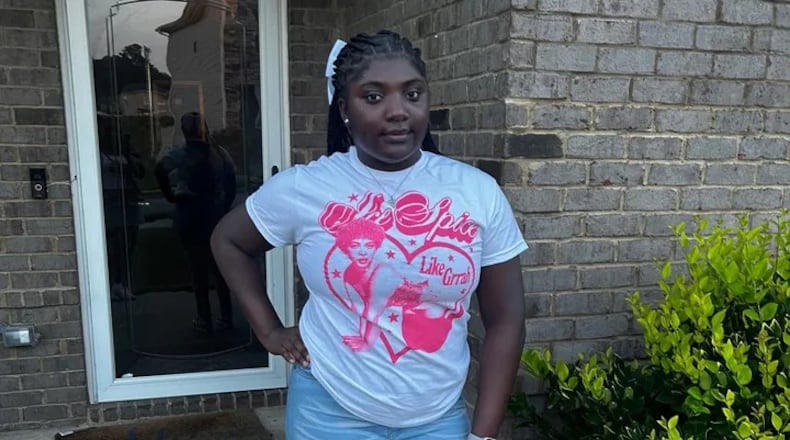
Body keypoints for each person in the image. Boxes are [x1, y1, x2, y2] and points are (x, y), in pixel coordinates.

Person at [211, 30, 527, 439]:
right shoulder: (307, 187)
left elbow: (506, 319)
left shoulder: (476, 191)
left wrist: (482, 435)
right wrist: (269, 330)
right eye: (374, 97)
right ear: (344, 108)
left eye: (412, 94)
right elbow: (229, 241)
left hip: (437, 419)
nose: (398, 111)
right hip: (328, 413)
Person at [156, 111, 237, 333]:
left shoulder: (182, 153)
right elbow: (231, 182)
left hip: (191, 214)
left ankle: (204, 317)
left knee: (198, 269)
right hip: (214, 215)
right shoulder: (219, 153)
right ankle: (226, 317)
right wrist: (225, 206)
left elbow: (160, 169)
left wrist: (171, 196)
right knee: (219, 269)